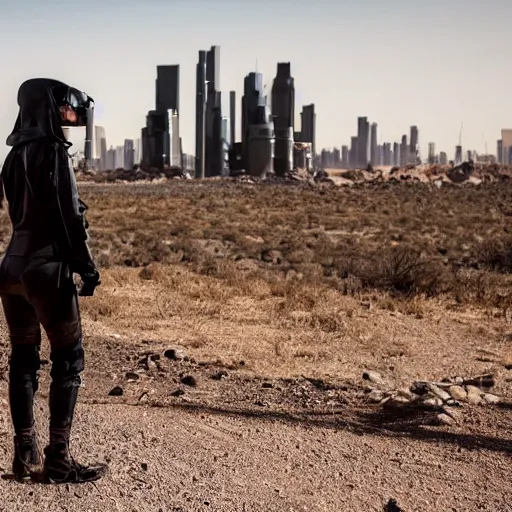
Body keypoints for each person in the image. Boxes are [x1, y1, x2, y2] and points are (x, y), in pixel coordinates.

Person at [0, 78, 106, 483]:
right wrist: (87, 267)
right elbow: (69, 219)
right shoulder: (54, 153)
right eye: (64, 106)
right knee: (69, 357)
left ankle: (23, 452)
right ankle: (59, 458)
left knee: (23, 358)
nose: (70, 112)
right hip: (46, 268)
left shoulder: (11, 158)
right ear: (47, 106)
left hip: (11, 267)